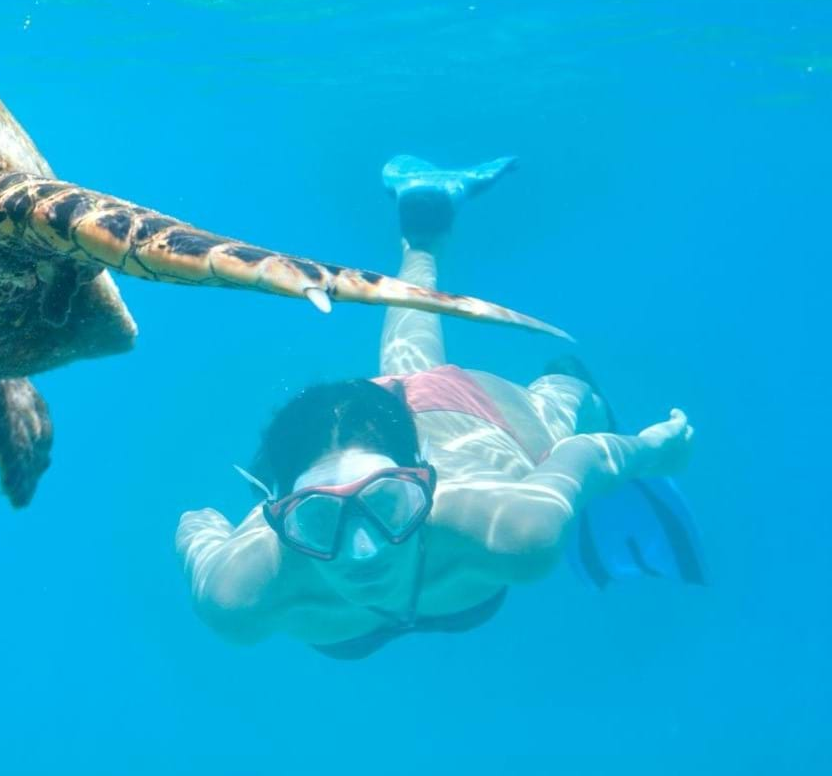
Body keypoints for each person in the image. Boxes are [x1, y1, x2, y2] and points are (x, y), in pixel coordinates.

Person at [174, 156, 701, 659]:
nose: (363, 552)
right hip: (358, 434)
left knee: (566, 395)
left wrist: (652, 452)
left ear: (426, 481)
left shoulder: (517, 525)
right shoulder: (239, 598)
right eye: (317, 518)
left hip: (472, 419)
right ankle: (424, 228)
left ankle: (429, 239)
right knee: (409, 362)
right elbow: (195, 523)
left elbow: (584, 452)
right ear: (278, 517)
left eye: (388, 503)